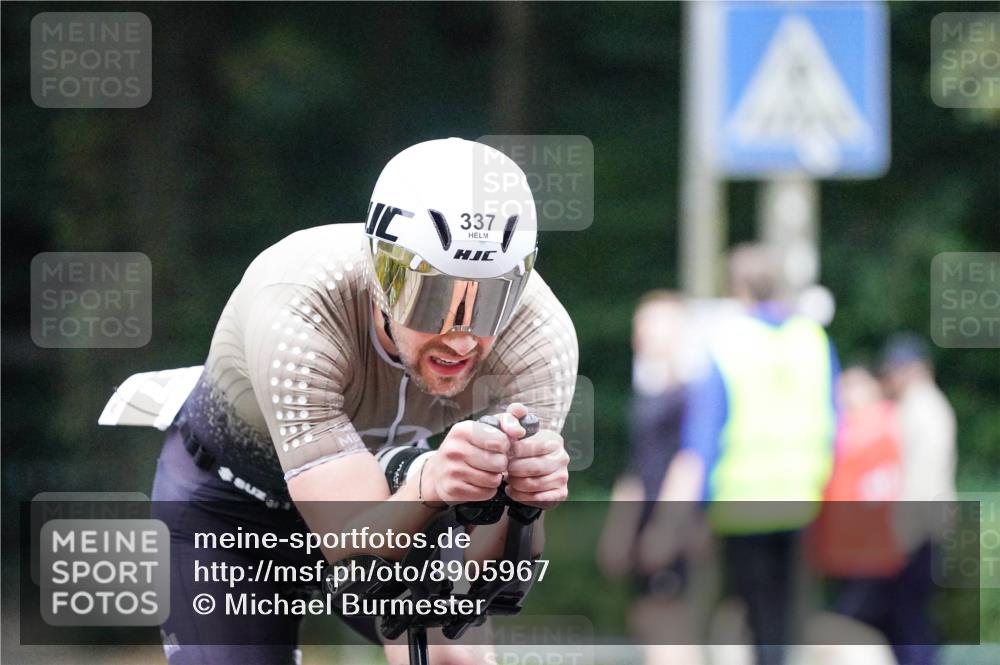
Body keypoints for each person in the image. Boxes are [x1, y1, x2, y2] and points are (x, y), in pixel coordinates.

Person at [111, 138, 577, 665]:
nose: (462, 337)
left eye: (491, 301)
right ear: (381, 275)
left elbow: (488, 583)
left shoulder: (540, 340)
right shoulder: (300, 306)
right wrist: (430, 483)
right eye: (431, 297)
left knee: (457, 658)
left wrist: (521, 504)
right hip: (232, 505)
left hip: (386, 484)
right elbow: (354, 559)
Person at [639, 243, 839, 665]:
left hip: (739, 503)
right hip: (800, 499)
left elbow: (703, 438)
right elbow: (834, 420)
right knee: (782, 614)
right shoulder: (813, 338)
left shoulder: (727, 342)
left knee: (737, 609)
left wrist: (681, 516)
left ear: (736, 289)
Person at [834, 334, 957, 665]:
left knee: (907, 623)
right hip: (913, 532)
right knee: (901, 621)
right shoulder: (916, 406)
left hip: (915, 534)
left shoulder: (924, 407)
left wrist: (900, 540)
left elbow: (923, 482)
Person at [597, 291, 703, 665]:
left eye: (650, 324)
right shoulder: (649, 388)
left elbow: (689, 462)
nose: (640, 333)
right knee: (646, 619)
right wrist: (620, 528)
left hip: (674, 526)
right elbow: (638, 467)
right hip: (648, 524)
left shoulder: (693, 391)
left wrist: (667, 527)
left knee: (669, 624)